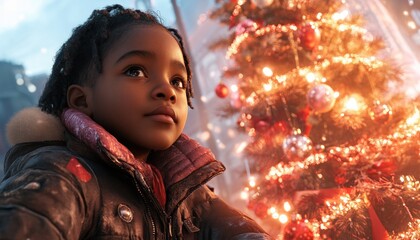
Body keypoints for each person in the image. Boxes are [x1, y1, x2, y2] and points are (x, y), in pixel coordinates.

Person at [0, 4, 271, 240]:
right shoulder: (63, 174)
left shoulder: (187, 190)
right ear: (82, 101)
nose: (166, 90)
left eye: (177, 81)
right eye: (136, 70)